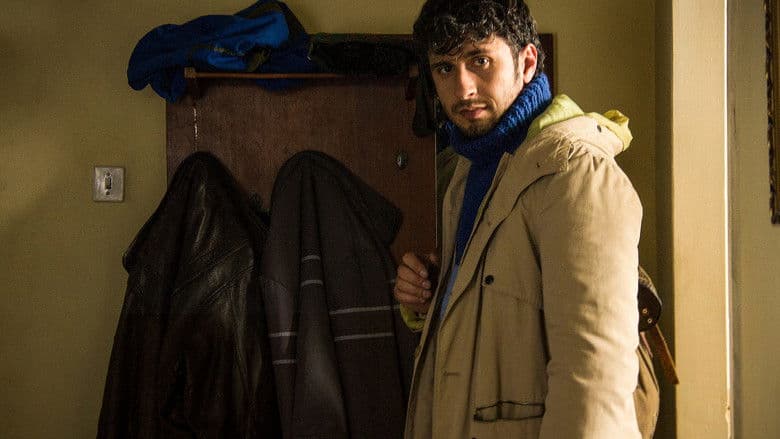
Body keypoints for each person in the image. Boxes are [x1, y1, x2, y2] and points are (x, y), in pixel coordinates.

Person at [393, 0, 647, 437]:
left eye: (479, 60)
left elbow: (594, 381)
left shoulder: (576, 173)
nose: (463, 88)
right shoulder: (466, 170)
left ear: (527, 62)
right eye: (445, 68)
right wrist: (431, 294)